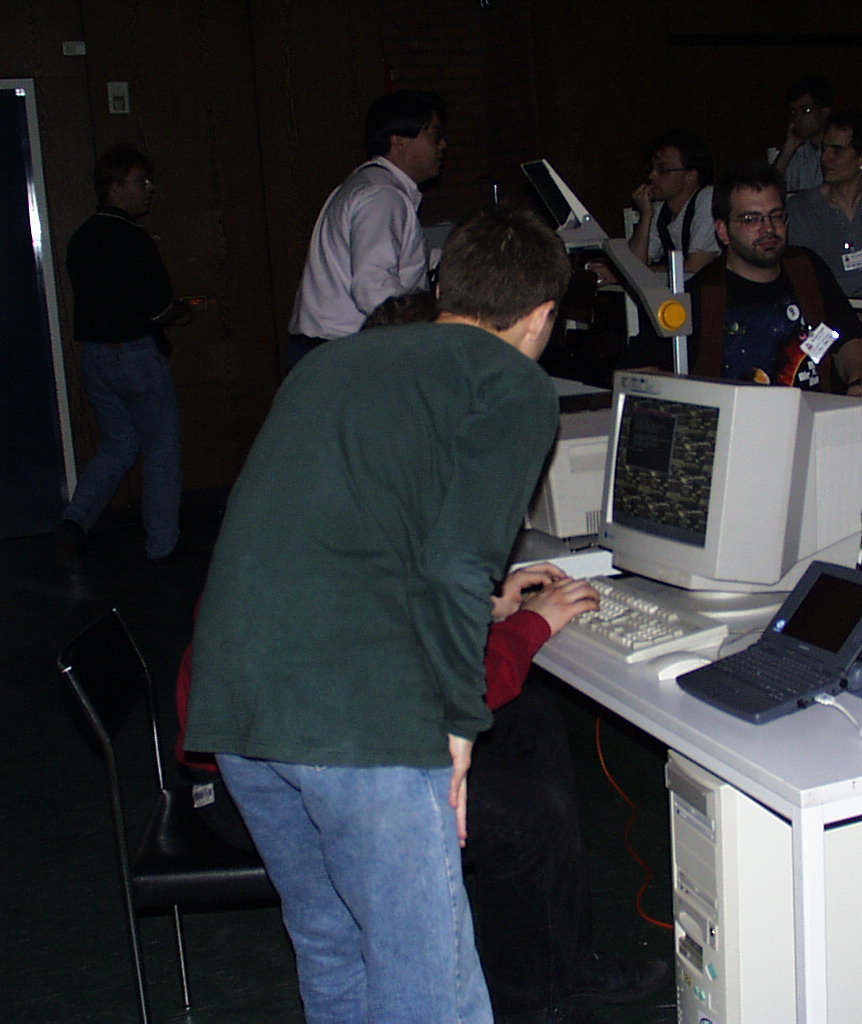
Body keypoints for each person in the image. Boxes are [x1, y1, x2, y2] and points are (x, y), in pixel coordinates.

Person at [185, 204, 572, 1024]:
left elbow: (346, 542)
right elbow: (455, 564)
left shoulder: (330, 363)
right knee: (430, 984)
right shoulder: (513, 384)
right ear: (542, 316)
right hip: (358, 720)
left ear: (444, 286)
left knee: (333, 947)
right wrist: (460, 730)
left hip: (237, 707)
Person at [176, 561, 664, 1024]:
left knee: (530, 714)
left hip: (321, 734)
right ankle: (533, 1009)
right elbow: (424, 691)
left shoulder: (320, 531)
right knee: (525, 816)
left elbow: (399, 626)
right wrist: (530, 625)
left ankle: (562, 962)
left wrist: (479, 607)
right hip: (253, 785)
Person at [58, 144, 188, 563]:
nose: (149, 188)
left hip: (96, 357)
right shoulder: (133, 239)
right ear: (114, 187)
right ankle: (162, 545)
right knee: (161, 450)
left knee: (119, 443)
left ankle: (76, 518)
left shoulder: (81, 238)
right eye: (140, 181)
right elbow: (158, 309)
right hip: (136, 356)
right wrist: (182, 312)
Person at [285, 90, 447, 369]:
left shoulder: (370, 184)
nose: (443, 145)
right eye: (434, 135)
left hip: (328, 351)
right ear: (398, 141)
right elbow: (373, 289)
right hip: (343, 354)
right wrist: (429, 333)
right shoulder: (383, 195)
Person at [684, 163, 862, 394]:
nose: (768, 228)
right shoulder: (702, 294)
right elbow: (652, 370)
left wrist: (859, 384)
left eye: (776, 216)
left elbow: (848, 340)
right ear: (723, 231)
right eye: (751, 219)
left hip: (813, 408)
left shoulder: (806, 269)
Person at [786, 109, 862, 299]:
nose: (825, 158)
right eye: (824, 149)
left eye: (837, 150)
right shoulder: (802, 208)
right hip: (831, 307)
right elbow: (806, 280)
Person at [626, 128, 720, 278]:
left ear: (690, 175)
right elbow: (632, 267)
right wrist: (646, 216)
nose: (652, 176)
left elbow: (695, 267)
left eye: (662, 170)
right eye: (651, 168)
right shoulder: (659, 210)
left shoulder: (708, 199)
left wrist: (642, 272)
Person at [773, 76, 833, 193]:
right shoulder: (799, 152)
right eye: (793, 112)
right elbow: (769, 188)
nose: (798, 118)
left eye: (806, 111)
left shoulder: (843, 150)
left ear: (825, 112)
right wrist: (788, 149)